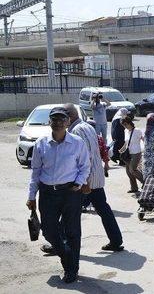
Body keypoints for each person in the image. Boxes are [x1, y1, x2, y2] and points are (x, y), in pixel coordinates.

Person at [26, 107, 90, 284]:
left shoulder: (77, 142)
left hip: (71, 193)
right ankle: (68, 258)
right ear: (49, 122)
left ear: (68, 122)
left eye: (62, 119)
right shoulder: (41, 144)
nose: (58, 122)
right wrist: (32, 195)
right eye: (54, 119)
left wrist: (79, 182)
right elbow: (35, 172)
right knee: (49, 231)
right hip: (47, 193)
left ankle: (71, 269)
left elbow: (85, 166)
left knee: (72, 232)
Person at [64, 104, 124, 252]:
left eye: (62, 118)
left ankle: (59, 243)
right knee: (103, 209)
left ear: (69, 117)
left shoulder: (77, 131)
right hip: (94, 178)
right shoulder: (87, 126)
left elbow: (87, 157)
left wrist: (84, 182)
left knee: (69, 212)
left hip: (86, 180)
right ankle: (116, 240)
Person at [120, 117, 144, 193]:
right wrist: (122, 149)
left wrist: (146, 149)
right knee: (128, 172)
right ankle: (134, 188)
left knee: (132, 170)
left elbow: (143, 140)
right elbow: (126, 142)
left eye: (125, 124)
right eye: (123, 125)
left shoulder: (137, 131)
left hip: (136, 153)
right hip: (128, 154)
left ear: (129, 123)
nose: (125, 126)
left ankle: (145, 182)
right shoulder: (125, 131)